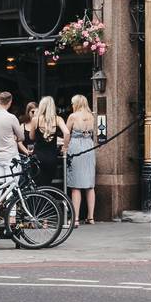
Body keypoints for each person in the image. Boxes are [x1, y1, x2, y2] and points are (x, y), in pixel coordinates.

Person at [0, 91, 28, 212]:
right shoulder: (11, 117)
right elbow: (21, 137)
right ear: (10, 102)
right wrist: (14, 137)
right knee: (12, 187)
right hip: (10, 156)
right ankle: (11, 215)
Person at [64, 94, 98, 226]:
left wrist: (65, 147)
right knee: (90, 185)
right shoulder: (91, 116)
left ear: (76, 103)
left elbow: (67, 134)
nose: (72, 105)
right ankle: (91, 217)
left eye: (73, 103)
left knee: (76, 186)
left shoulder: (73, 116)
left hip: (76, 147)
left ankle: (76, 218)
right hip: (89, 146)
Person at [26, 96, 68, 188]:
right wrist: (65, 147)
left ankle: (38, 201)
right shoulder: (58, 119)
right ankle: (47, 200)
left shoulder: (35, 120)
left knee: (37, 184)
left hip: (38, 157)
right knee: (47, 184)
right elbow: (67, 133)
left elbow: (31, 137)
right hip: (52, 157)